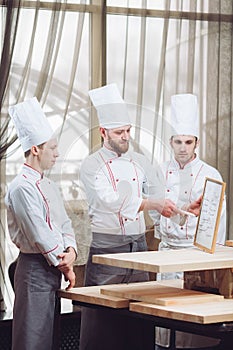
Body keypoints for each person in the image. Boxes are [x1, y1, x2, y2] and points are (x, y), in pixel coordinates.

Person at [78, 84, 201, 350]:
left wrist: (182, 210)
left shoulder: (140, 162)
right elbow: (109, 200)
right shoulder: (91, 164)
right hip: (107, 250)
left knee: (140, 324)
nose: (126, 137)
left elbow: (160, 196)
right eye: (119, 132)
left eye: (128, 131)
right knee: (102, 326)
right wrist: (151, 203)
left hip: (140, 249)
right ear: (103, 133)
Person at [153, 94, 226, 350]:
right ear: (170, 142)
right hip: (167, 254)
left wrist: (209, 266)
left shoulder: (210, 175)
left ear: (196, 143)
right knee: (163, 327)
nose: (183, 147)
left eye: (188, 141)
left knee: (193, 332)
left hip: (195, 259)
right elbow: (154, 214)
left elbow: (217, 226)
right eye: (177, 141)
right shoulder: (160, 172)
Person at [5, 97, 78, 350]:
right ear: (35, 149)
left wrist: (71, 252)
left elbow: (65, 223)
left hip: (52, 270)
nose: (58, 153)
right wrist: (65, 266)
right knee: (32, 341)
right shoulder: (20, 188)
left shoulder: (48, 184)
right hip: (34, 270)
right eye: (53, 148)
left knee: (49, 340)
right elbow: (40, 234)